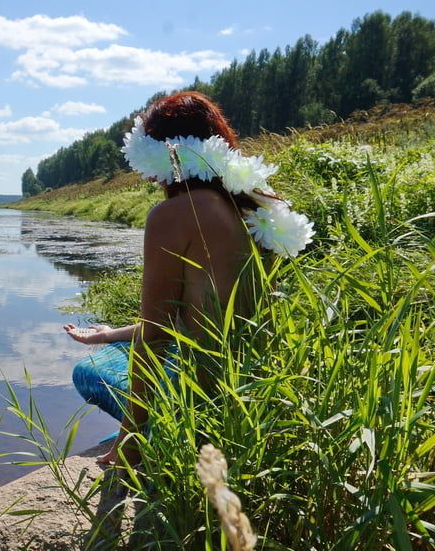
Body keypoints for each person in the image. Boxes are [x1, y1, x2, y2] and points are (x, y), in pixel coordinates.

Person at [65, 91, 313, 465]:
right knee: (115, 348)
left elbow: (156, 336)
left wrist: (128, 443)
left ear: (159, 154)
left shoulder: (174, 214)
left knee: (90, 370)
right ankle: (160, 429)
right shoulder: (256, 208)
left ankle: (155, 435)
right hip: (247, 386)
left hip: (201, 398)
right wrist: (108, 334)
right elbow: (201, 319)